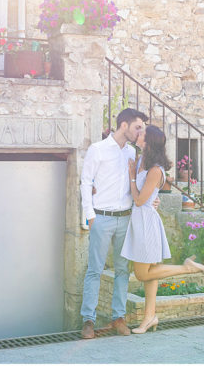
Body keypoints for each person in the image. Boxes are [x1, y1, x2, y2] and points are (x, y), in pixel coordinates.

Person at [121, 125, 204, 334]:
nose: (138, 133)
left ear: (148, 141)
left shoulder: (155, 169)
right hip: (140, 219)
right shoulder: (142, 159)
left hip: (146, 222)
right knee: (150, 273)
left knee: (142, 274)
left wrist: (132, 177)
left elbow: (141, 200)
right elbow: (148, 197)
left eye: (142, 133)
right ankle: (149, 317)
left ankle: (187, 268)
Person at [80, 108, 148, 339]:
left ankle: (118, 317)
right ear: (124, 125)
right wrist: (89, 215)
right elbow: (85, 182)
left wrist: (152, 198)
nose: (140, 133)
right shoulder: (97, 150)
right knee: (94, 270)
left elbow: (139, 183)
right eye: (138, 127)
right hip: (101, 217)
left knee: (122, 270)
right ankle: (87, 320)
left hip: (125, 218)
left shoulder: (132, 153)